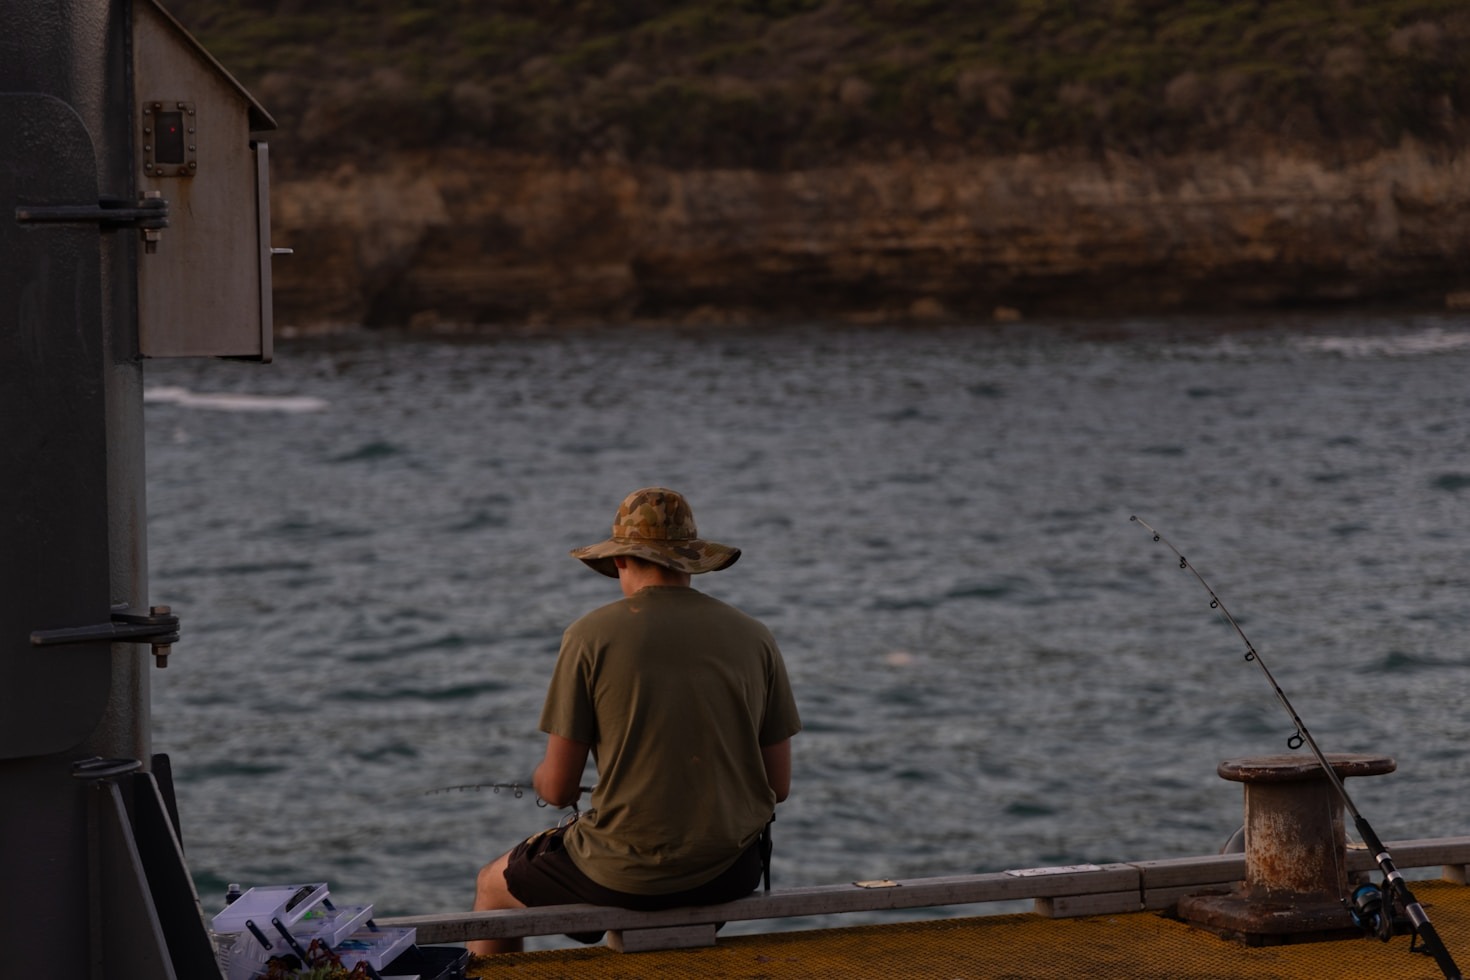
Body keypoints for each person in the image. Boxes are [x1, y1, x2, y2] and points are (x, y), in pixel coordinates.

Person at [469, 487, 801, 957]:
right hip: (732, 869)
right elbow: (778, 785)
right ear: (690, 560)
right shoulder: (755, 636)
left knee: (490, 885)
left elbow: (560, 790)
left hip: (628, 875)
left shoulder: (589, 636)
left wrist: (541, 781)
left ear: (622, 561)